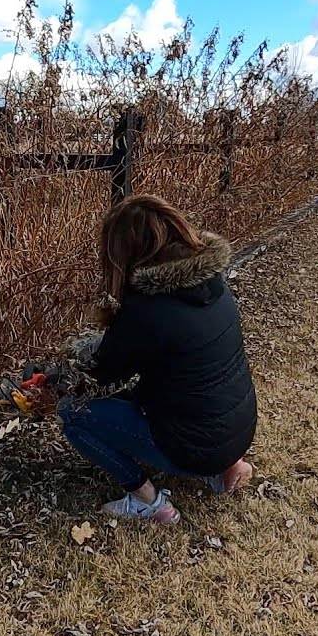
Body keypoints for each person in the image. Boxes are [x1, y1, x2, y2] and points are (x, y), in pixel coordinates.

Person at [58, 194, 257, 524]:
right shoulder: (211, 284)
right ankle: (224, 469)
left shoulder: (146, 308)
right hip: (237, 432)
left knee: (72, 413)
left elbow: (100, 376)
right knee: (204, 382)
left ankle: (148, 503)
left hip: (196, 446)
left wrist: (60, 374)